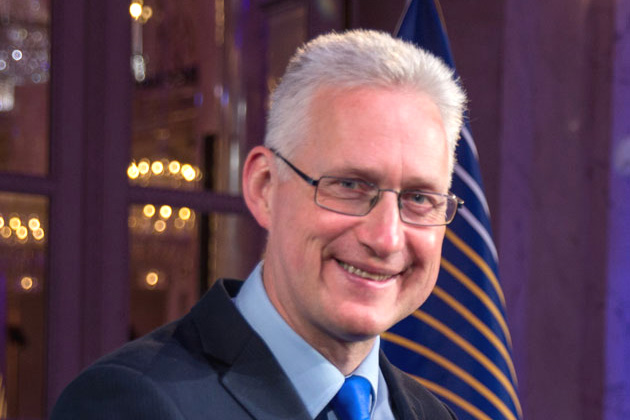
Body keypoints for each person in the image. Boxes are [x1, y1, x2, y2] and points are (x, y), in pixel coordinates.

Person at [52, 29, 466, 419]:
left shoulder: (431, 413)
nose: (386, 238)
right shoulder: (131, 403)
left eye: (419, 198)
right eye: (349, 185)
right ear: (264, 186)